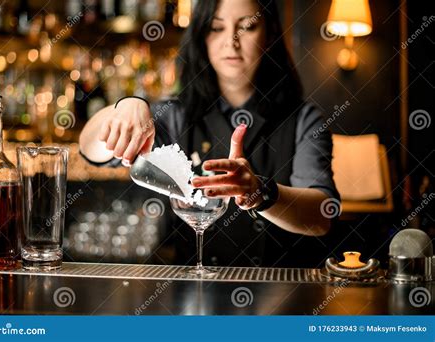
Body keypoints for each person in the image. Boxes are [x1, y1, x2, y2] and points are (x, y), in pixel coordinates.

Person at [79, 0, 340, 267]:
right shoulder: (175, 114)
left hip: (281, 294)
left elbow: (322, 217)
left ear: (270, 34)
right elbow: (90, 150)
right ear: (202, 37)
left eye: (247, 27)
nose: (231, 41)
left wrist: (259, 192)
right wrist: (125, 107)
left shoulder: (303, 118)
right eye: (216, 28)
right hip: (190, 298)